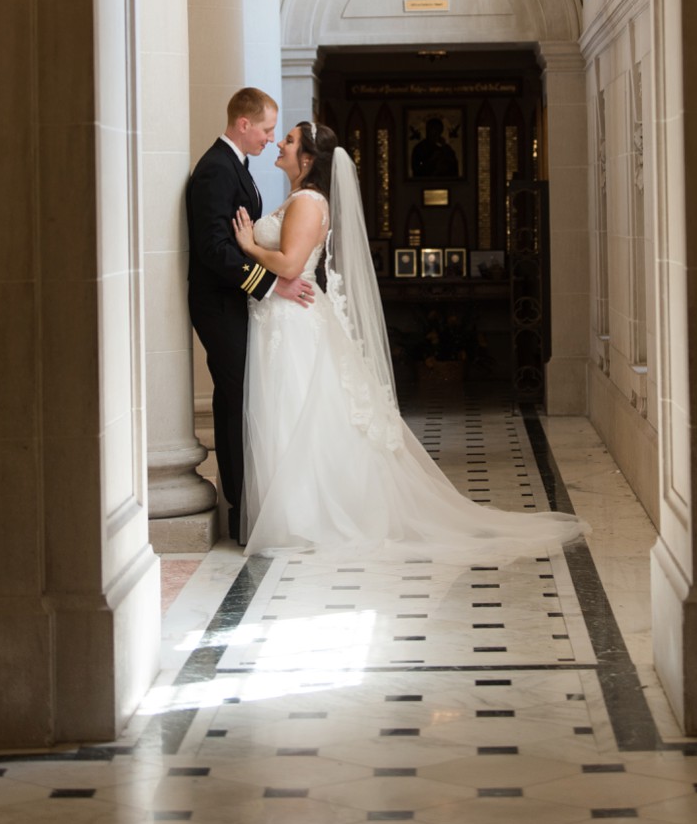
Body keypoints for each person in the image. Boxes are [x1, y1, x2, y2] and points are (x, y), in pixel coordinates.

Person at [232, 122, 587, 561]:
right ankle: (292, 514)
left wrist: (248, 245)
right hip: (284, 319)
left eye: (287, 140)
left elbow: (289, 264)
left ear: (306, 159)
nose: (279, 145)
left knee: (300, 414)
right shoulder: (298, 198)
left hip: (296, 321)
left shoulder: (307, 201)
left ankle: (309, 517)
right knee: (291, 415)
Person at [186, 88, 314, 545]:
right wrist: (270, 282)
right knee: (237, 401)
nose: (271, 138)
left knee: (243, 401)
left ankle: (247, 505)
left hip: (237, 302)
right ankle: (243, 510)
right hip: (220, 305)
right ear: (243, 124)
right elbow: (213, 250)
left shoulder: (236, 167)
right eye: (265, 129)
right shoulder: (216, 171)